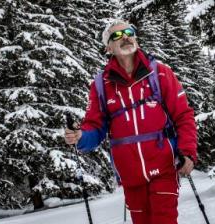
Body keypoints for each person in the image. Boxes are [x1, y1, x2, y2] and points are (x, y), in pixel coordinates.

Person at [64, 20, 197, 224]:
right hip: (130, 174)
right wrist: (80, 136)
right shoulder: (101, 85)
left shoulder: (159, 73)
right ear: (108, 47)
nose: (125, 37)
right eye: (116, 36)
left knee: (164, 220)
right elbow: (95, 128)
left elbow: (183, 115)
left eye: (129, 32)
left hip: (163, 166)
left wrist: (187, 152)